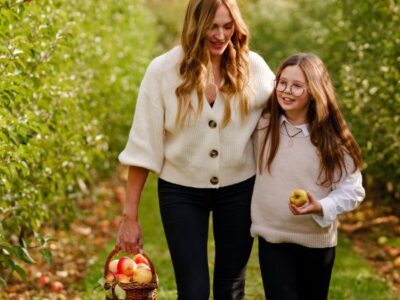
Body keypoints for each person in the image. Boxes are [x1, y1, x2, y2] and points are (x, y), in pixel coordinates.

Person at [116, 0, 275, 299]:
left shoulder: (253, 67)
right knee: (193, 290)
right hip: (181, 191)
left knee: (231, 288)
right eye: (211, 27)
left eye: (228, 26)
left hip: (240, 189)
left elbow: (288, 109)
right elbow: (143, 146)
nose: (220, 35)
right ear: (194, 25)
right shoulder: (162, 71)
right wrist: (130, 217)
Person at [251, 53, 365, 300]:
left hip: (316, 242)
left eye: (297, 86)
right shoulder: (262, 127)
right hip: (273, 237)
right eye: (282, 82)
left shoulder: (332, 141)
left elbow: (353, 190)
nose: (286, 91)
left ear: (313, 92)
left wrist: (321, 206)